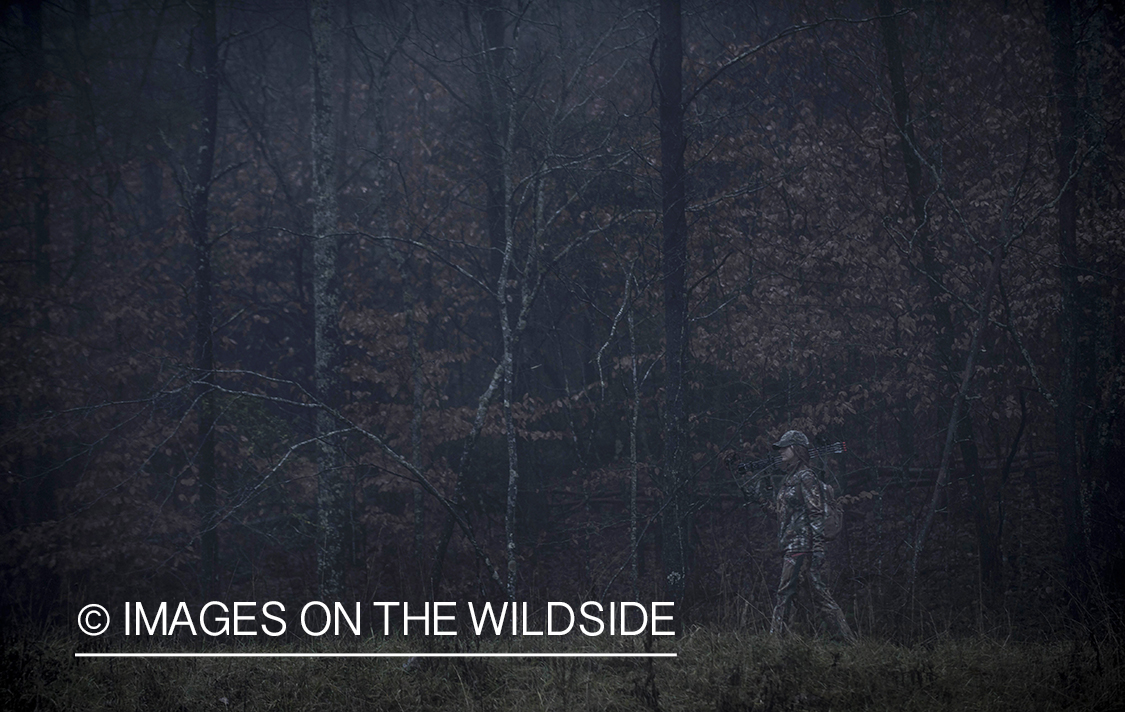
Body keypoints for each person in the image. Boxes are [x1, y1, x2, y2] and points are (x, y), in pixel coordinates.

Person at [736, 430, 856, 642]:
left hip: (802, 546)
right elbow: (782, 515)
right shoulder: (790, 479)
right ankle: (849, 642)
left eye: (785, 447)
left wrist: (817, 549)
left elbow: (816, 512)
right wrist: (761, 500)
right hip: (794, 545)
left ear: (797, 449)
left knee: (785, 594)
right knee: (819, 596)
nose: (781, 451)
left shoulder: (806, 477)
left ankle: (774, 644)